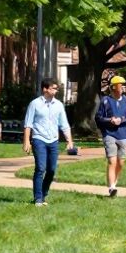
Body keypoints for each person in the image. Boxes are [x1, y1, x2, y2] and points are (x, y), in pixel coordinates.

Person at [22, 78, 75, 206]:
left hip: (53, 140)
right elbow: (28, 124)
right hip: (39, 139)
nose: (56, 90)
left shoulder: (59, 105)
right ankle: (38, 198)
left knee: (51, 170)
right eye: (53, 88)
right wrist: (26, 141)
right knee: (41, 168)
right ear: (45, 89)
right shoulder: (34, 104)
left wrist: (70, 141)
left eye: (56, 88)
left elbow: (64, 124)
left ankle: (44, 194)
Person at [95, 75, 126, 198]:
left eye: (124, 85)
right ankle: (111, 187)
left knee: (121, 162)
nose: (123, 87)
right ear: (113, 87)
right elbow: (98, 118)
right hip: (109, 134)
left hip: (123, 134)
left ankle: (114, 182)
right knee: (112, 160)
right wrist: (110, 120)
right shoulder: (105, 101)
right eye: (120, 85)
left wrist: (121, 120)